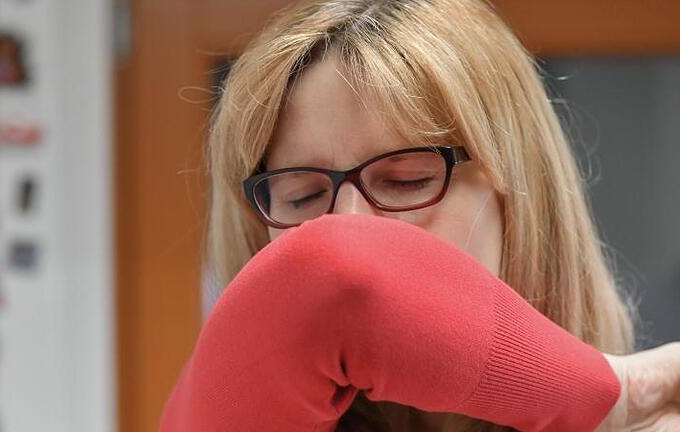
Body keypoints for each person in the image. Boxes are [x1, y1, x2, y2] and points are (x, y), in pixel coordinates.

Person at [162, 0, 680, 430]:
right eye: (301, 197)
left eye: (406, 179)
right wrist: (616, 393)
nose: (348, 223)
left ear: (518, 191)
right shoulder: (229, 404)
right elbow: (330, 281)